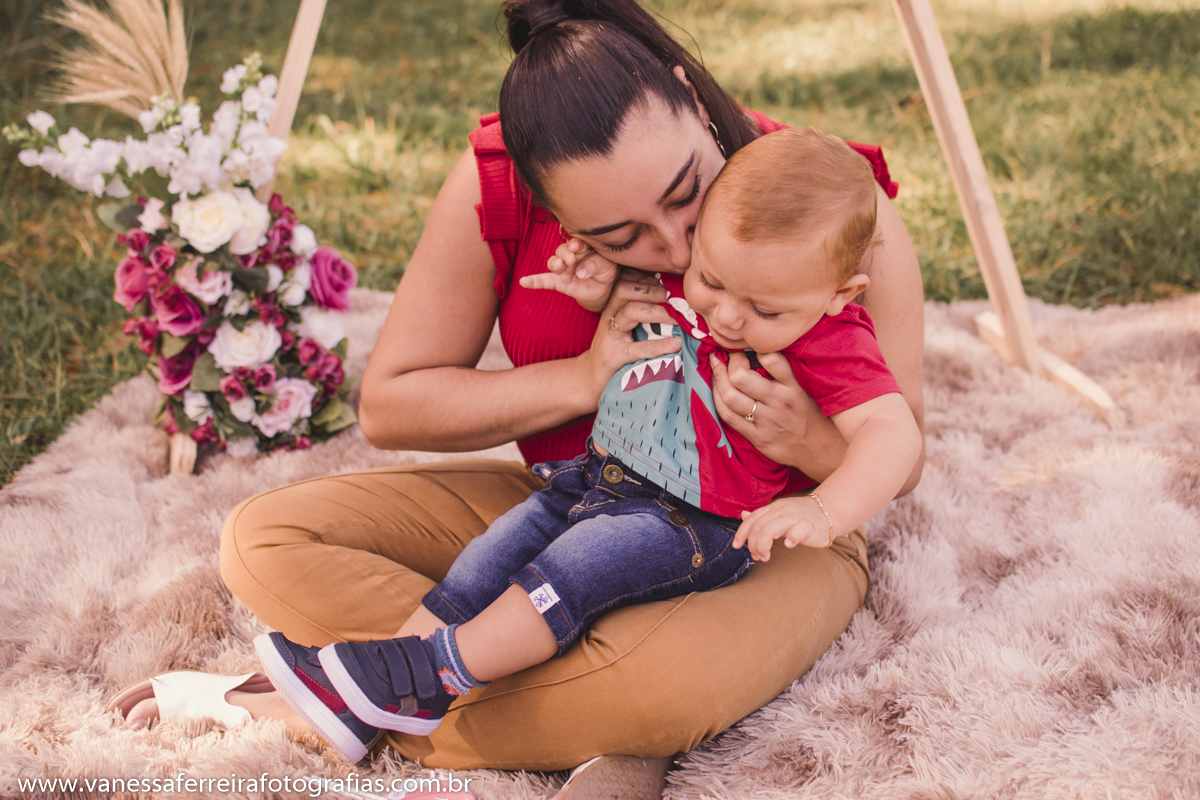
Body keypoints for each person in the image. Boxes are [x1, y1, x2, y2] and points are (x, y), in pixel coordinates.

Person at [108, 0, 926, 795]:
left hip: (762, 536)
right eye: (621, 234)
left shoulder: (822, 209)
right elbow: (392, 407)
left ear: (690, 96)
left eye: (686, 196)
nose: (677, 252)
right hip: (587, 495)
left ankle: (322, 701)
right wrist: (582, 374)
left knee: (657, 679)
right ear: (553, 210)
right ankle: (565, 710)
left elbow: (900, 448)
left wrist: (801, 442)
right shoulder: (499, 188)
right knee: (264, 539)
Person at [253, 126, 924, 758]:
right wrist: (596, 287)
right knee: (492, 556)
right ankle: (372, 689)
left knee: (570, 571)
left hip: (695, 520)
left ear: (842, 294)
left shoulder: (833, 340)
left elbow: (893, 437)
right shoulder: (705, 265)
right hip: (595, 476)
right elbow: (644, 301)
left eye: (764, 311)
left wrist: (825, 509)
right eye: (711, 283)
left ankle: (439, 670)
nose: (725, 314)